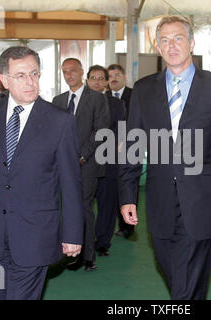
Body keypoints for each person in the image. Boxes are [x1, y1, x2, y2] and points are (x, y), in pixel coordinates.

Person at [0, 46, 84, 300]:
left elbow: (71, 183)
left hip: (36, 236)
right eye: (21, 75)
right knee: (3, 294)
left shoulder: (60, 121)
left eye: (34, 74)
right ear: (4, 79)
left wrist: (73, 234)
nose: (30, 82)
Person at [119, 15, 211, 300]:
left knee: (185, 286)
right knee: (173, 272)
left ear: (192, 43)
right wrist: (127, 194)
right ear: (158, 48)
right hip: (159, 203)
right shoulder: (144, 90)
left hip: (202, 200)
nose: (171, 45)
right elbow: (133, 145)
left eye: (178, 38)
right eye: (164, 40)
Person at [52, 58, 110, 271]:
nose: (69, 75)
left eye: (73, 71)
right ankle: (68, 251)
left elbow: (101, 131)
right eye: (65, 72)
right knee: (66, 206)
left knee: (83, 207)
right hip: (62, 164)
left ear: (81, 71)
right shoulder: (57, 101)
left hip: (88, 164)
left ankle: (88, 256)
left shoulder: (96, 99)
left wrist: (82, 156)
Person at [87, 65, 126, 256]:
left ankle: (103, 242)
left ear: (106, 82)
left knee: (107, 205)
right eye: (93, 77)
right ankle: (83, 240)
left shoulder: (117, 105)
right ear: (87, 80)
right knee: (83, 205)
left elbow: (120, 133)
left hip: (108, 161)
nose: (97, 81)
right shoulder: (78, 103)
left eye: (101, 78)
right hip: (83, 163)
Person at [106, 64, 135, 239]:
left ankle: (127, 225)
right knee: (112, 187)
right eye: (110, 76)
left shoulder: (134, 95)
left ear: (124, 76)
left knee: (128, 184)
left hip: (131, 145)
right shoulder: (104, 97)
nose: (114, 78)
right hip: (109, 149)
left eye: (117, 74)